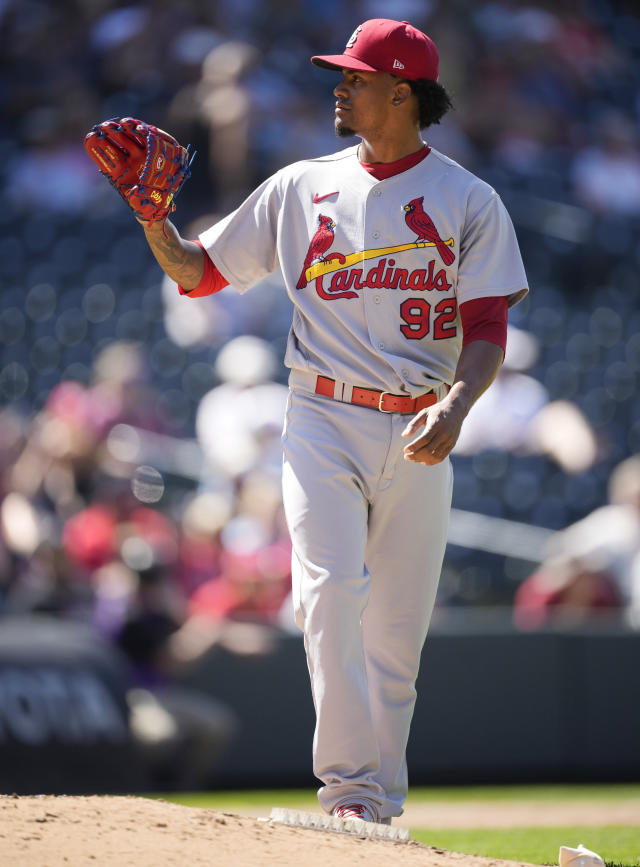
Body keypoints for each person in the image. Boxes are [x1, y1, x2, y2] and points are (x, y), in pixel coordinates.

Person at [133, 18, 529, 824]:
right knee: (326, 596)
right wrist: (152, 219)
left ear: (401, 91)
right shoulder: (300, 185)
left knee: (396, 635)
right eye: (340, 74)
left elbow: (487, 326)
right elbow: (201, 272)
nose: (339, 87)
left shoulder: (466, 198)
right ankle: (348, 794)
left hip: (423, 422)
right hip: (320, 413)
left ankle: (378, 806)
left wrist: (458, 403)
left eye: (355, 76)